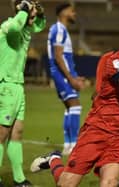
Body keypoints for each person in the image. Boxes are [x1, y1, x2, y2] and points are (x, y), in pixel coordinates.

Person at [31, 22, 119, 187]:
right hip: (96, 130)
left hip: (118, 134)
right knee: (66, 184)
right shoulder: (115, 60)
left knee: (110, 183)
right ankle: (54, 160)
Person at [0, 0, 46, 186]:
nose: (34, 12)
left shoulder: (25, 28)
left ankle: (19, 179)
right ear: (22, 8)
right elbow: (15, 28)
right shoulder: (9, 25)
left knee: (17, 133)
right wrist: (25, 9)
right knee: (2, 133)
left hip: (17, 86)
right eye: (32, 7)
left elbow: (40, 26)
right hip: (5, 86)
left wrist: (39, 14)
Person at [47, 2, 85, 155]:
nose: (74, 14)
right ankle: (73, 144)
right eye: (71, 11)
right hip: (61, 74)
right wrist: (71, 78)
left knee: (70, 108)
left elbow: (64, 58)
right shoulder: (59, 29)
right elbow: (58, 56)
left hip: (64, 73)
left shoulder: (60, 29)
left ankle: (68, 145)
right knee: (75, 106)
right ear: (63, 13)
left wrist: (75, 75)